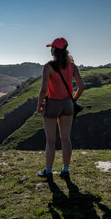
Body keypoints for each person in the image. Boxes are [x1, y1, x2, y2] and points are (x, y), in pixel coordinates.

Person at [36, 37, 85, 180]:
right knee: (66, 138)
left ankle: (49, 171)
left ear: (54, 51)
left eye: (51, 48)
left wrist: (39, 105)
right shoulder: (72, 66)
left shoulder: (48, 66)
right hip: (67, 105)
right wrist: (73, 100)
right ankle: (65, 170)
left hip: (52, 104)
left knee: (51, 141)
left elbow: (44, 89)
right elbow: (82, 87)